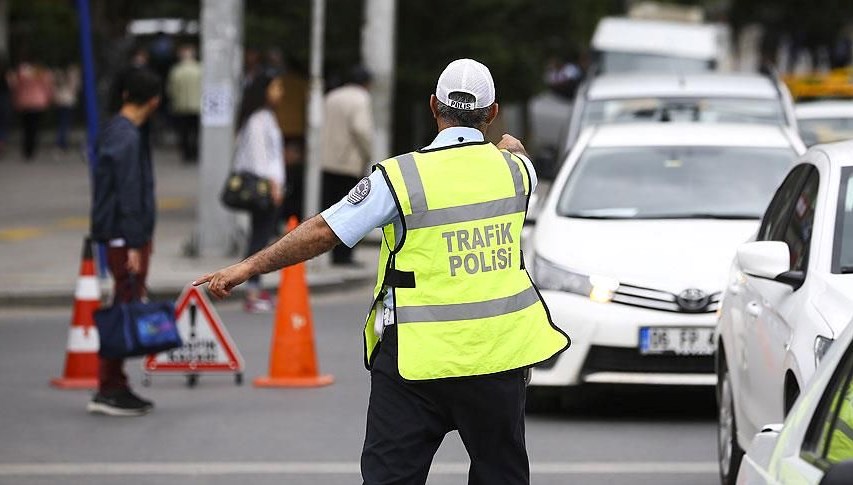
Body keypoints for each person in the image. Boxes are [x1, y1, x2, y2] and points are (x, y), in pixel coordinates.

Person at [194, 58, 571, 484]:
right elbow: (516, 154)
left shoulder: (400, 177)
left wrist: (247, 267)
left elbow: (323, 230)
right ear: (493, 112)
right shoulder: (518, 172)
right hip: (498, 359)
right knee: (501, 475)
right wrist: (508, 147)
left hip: (416, 361)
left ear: (434, 106)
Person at [89, 68, 162, 416]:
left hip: (122, 234)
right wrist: (135, 243)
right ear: (153, 101)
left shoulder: (115, 130)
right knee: (123, 305)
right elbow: (129, 194)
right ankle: (109, 387)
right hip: (124, 237)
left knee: (124, 301)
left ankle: (114, 383)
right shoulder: (128, 137)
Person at [232, 73, 285, 313]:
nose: (280, 92)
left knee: (261, 236)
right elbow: (259, 158)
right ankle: (252, 290)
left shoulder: (264, 117)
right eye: (276, 86)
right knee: (259, 238)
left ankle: (255, 287)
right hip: (263, 188)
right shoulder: (258, 119)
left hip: (268, 186)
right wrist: (274, 185)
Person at [319, 65, 374, 266]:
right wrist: (368, 153)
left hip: (327, 160)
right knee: (352, 210)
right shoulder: (361, 98)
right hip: (349, 163)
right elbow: (361, 128)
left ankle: (333, 253)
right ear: (367, 83)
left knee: (332, 210)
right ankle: (345, 256)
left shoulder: (331, 96)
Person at [7, 59, 53, 160]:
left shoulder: (21, 72)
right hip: (38, 103)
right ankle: (32, 149)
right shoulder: (41, 72)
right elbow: (47, 86)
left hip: (24, 103)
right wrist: (49, 98)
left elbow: (14, 86)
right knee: (34, 128)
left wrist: (15, 99)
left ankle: (27, 149)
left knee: (26, 128)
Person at [167, 44, 202, 163]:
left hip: (181, 106)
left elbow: (171, 89)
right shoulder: (200, 69)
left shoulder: (176, 71)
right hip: (198, 106)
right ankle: (195, 152)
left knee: (184, 132)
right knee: (196, 132)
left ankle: (186, 154)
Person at [53, 63, 80, 151]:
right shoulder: (72, 73)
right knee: (65, 123)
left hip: (60, 101)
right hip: (68, 101)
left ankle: (60, 142)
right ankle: (62, 142)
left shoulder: (58, 74)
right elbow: (75, 87)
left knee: (62, 122)